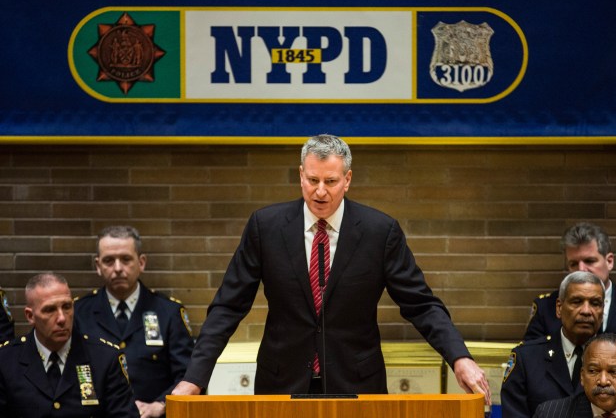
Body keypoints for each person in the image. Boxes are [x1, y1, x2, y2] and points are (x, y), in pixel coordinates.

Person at [172, 134, 491, 402]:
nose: (320, 191)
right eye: (312, 180)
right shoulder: (266, 227)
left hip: (356, 383)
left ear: (348, 180)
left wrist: (459, 357)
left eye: (330, 181)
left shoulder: (380, 232)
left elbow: (420, 304)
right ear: (300, 175)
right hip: (282, 382)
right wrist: (195, 377)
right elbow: (228, 306)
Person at [74, 225, 194, 418]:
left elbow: (188, 375)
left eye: (126, 259)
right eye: (109, 261)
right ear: (98, 266)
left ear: (142, 262)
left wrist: (161, 405)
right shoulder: (79, 312)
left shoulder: (169, 312)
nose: (118, 268)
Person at [0, 273, 138, 418]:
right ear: (30, 316)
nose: (61, 318)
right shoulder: (6, 361)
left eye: (67, 307)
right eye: (50, 310)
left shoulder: (105, 359)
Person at [501, 271, 605, 418]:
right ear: (559, 308)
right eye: (577, 302)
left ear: (603, 310)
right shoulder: (527, 359)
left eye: (595, 303)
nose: (586, 311)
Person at [524, 222, 616, 341]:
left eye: (589, 261)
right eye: (574, 264)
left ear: (609, 262)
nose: (581, 270)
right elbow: (530, 355)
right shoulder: (546, 307)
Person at [532, 333, 616, 417]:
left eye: (614, 372)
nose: (603, 381)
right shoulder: (549, 414)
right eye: (593, 371)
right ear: (582, 376)